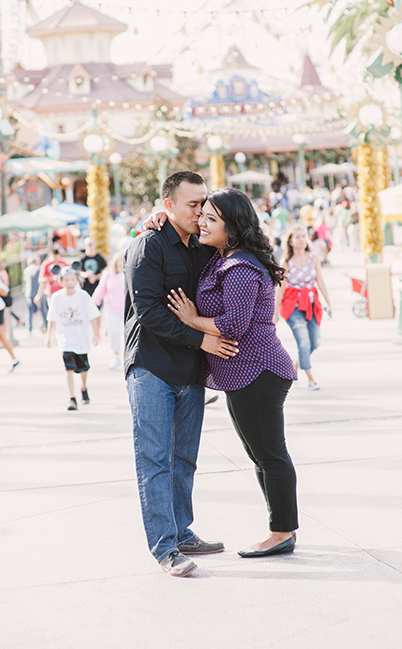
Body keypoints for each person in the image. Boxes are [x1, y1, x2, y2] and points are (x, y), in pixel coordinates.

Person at [165, 187, 299, 558]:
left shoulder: (239, 267)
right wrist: (157, 218)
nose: (201, 223)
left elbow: (235, 324)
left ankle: (282, 531)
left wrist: (192, 320)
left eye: (211, 218)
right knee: (261, 456)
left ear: (233, 226)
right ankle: (281, 529)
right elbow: (177, 226)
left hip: (258, 371)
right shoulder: (221, 256)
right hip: (246, 373)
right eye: (201, 215)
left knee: (270, 455)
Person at [123, 170, 239, 578]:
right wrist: (202, 341)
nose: (201, 210)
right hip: (151, 366)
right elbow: (149, 312)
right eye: (192, 204)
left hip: (191, 371)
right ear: (168, 206)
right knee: (154, 458)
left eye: (204, 203)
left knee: (184, 458)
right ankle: (164, 547)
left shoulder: (205, 247)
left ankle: (182, 530)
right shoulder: (147, 245)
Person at [275, 225, 332, 390]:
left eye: (303, 236)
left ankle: (295, 365)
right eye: (297, 237)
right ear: (290, 242)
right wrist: (275, 312)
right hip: (292, 307)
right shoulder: (286, 263)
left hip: (311, 305)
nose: (301, 240)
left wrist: (329, 303)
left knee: (314, 342)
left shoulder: (313, 257)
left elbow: (320, 280)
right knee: (304, 341)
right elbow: (281, 288)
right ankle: (310, 378)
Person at [46, 267, 101, 410]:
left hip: (81, 339)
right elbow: (51, 318)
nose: (70, 283)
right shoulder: (56, 297)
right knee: (68, 369)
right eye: (66, 280)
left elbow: (94, 316)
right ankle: (72, 398)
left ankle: (83, 387)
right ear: (61, 281)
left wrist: (95, 334)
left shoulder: (83, 296)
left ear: (77, 280)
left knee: (83, 369)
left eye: (72, 279)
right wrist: (48, 337)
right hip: (65, 339)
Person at [92, 251, 125, 369]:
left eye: (124, 259)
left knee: (127, 334)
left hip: (127, 309)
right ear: (116, 261)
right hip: (111, 308)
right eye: (120, 259)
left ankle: (126, 357)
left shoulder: (131, 273)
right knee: (114, 332)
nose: (122, 262)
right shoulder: (108, 274)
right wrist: (93, 304)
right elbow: (101, 289)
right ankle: (116, 357)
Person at [23, 255, 44, 334]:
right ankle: (45, 325)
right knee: (42, 311)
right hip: (37, 293)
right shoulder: (39, 269)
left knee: (29, 312)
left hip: (28, 293)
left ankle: (29, 329)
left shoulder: (26, 270)